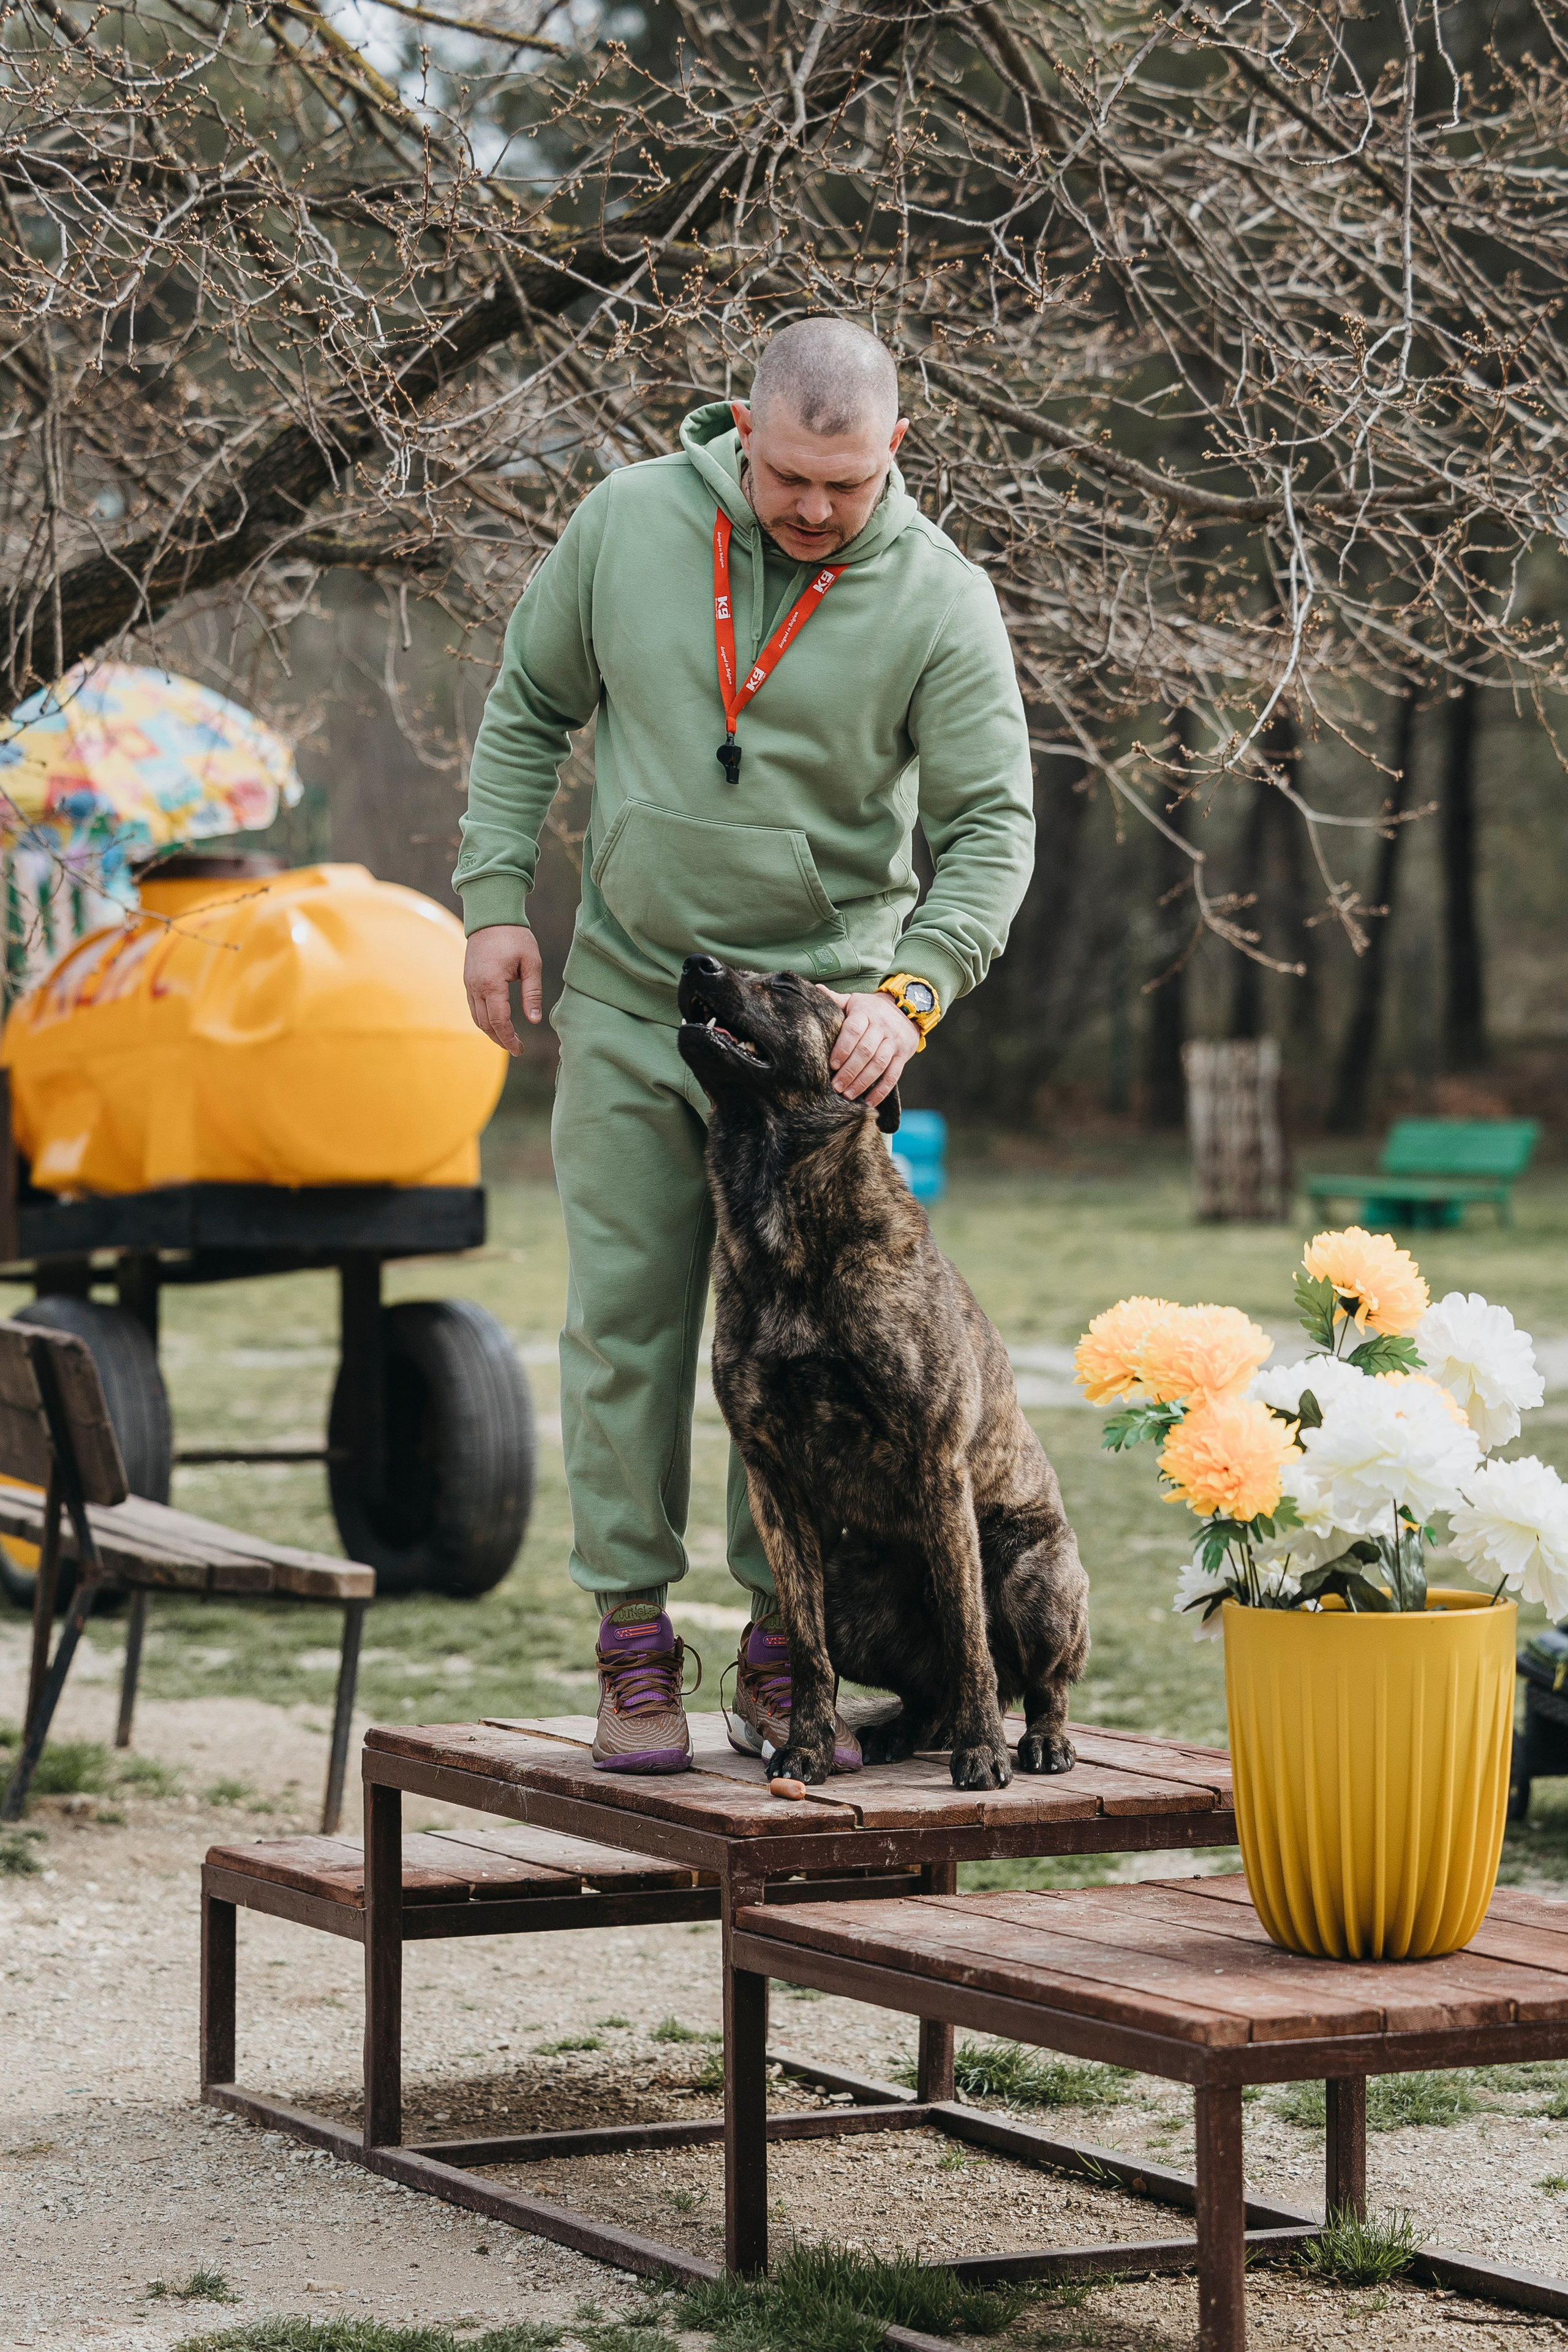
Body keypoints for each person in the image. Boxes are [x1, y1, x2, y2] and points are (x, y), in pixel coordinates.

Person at [456, 317, 1034, 1774]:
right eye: (788, 479)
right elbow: (527, 707)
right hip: (632, 993)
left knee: (819, 1362)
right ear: (740, 430)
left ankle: (790, 1652)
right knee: (629, 1329)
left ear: (891, 449)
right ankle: (632, 1645)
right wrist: (491, 903)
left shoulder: (940, 602)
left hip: (812, 1050)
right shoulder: (626, 523)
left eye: (845, 485)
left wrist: (907, 999)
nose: (814, 511)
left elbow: (990, 832)